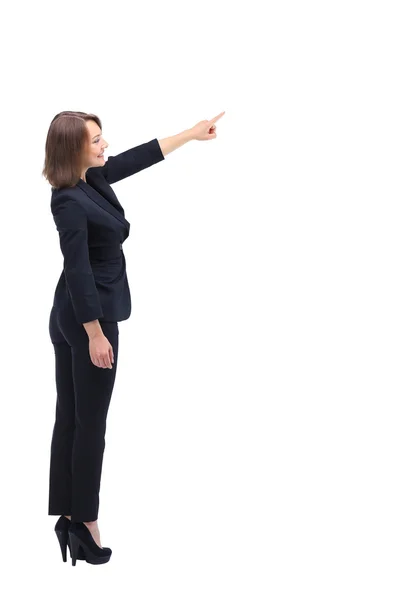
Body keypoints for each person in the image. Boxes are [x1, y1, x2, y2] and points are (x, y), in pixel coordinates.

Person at [43, 109, 225, 565]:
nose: (106, 146)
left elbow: (139, 158)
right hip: (90, 318)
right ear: (74, 148)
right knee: (90, 426)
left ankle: (66, 516)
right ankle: (85, 523)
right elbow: (78, 268)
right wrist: (95, 334)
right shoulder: (67, 200)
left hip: (71, 312)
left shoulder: (93, 179)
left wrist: (190, 134)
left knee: (72, 418)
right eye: (98, 140)